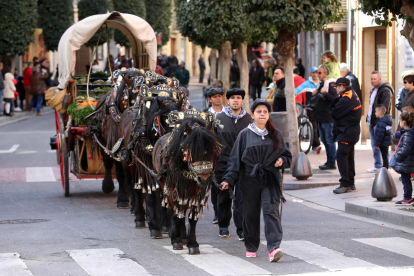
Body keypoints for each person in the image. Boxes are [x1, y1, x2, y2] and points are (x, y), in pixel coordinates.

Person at [220, 98, 292, 262]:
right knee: (250, 214)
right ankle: (251, 246)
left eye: (265, 112)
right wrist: (228, 179)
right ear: (252, 115)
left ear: (268, 115)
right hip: (249, 179)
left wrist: (282, 161)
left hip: (270, 178)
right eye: (258, 112)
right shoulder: (245, 134)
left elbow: (286, 155)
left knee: (270, 211)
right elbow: (235, 160)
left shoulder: (276, 134)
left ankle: (274, 248)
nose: (262, 114)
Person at [214, 88, 251, 239]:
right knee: (223, 197)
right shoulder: (219, 119)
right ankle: (223, 225)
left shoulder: (249, 120)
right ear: (227, 101)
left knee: (242, 199)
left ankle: (241, 228)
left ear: (243, 100)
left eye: (238, 98)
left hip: (244, 166)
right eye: (232, 98)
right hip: (223, 165)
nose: (235, 100)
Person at [331, 78, 362, 194]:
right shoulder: (348, 93)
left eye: (336, 86)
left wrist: (334, 106)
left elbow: (334, 113)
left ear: (342, 87)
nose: (335, 88)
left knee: (342, 156)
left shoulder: (346, 97)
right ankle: (350, 183)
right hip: (349, 131)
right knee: (348, 156)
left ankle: (345, 184)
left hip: (347, 131)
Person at [366, 71, 394, 173]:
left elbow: (384, 108)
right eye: (371, 79)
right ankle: (378, 165)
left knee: (382, 145)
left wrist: (378, 122)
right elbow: (371, 106)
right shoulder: (373, 90)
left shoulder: (385, 90)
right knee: (375, 144)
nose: (373, 81)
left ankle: (386, 167)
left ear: (380, 79)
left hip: (379, 122)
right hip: (371, 121)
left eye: (375, 79)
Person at [313, 65, 338, 170]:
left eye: (320, 73)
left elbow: (334, 99)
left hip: (328, 118)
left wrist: (324, 93)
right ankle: (329, 161)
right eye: (317, 72)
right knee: (324, 140)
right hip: (321, 117)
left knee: (329, 141)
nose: (317, 75)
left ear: (325, 73)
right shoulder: (321, 85)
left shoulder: (330, 85)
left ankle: (332, 162)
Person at [295, 66, 321, 153]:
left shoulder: (321, 83)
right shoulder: (307, 84)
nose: (315, 74)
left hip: (321, 109)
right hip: (311, 108)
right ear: (310, 73)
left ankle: (315, 143)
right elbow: (297, 90)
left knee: (319, 127)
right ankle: (316, 145)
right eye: (313, 72)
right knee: (314, 126)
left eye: (317, 72)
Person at [394, 111, 414, 206]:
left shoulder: (408, 134)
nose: (400, 123)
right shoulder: (408, 133)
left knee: (405, 180)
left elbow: (406, 148)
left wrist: (398, 156)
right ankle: (408, 197)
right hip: (407, 162)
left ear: (404, 123)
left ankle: (407, 198)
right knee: (406, 180)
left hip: (406, 162)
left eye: (400, 121)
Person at [374, 104, 393, 169]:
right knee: (385, 156)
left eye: (376, 111)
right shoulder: (385, 120)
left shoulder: (381, 122)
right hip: (386, 142)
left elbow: (380, 135)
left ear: (380, 112)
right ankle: (385, 168)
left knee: (384, 156)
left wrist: (377, 144)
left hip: (383, 142)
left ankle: (385, 169)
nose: (375, 113)